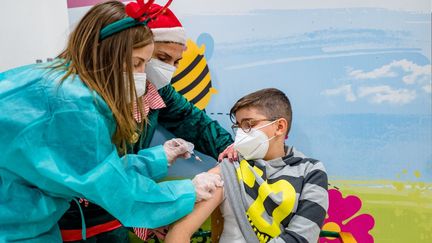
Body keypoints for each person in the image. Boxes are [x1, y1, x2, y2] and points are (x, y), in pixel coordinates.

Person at [0, 1, 223, 242]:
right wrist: (187, 191)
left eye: (145, 64)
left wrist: (158, 158)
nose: (142, 73)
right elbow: (111, 187)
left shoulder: (61, 82)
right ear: (105, 51)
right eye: (137, 63)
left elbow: (95, 167)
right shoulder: (76, 105)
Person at [59, 3, 234, 242]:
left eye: (176, 62)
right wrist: (181, 193)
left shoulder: (157, 91)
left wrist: (231, 151)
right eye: (158, 58)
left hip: (115, 216)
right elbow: (101, 178)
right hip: (72, 218)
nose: (167, 69)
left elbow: (195, 122)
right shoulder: (82, 101)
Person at [165, 88, 329, 243]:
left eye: (248, 125)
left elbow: (302, 238)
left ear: (279, 127)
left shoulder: (311, 171)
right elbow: (180, 231)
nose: (240, 133)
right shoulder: (230, 166)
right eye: (238, 126)